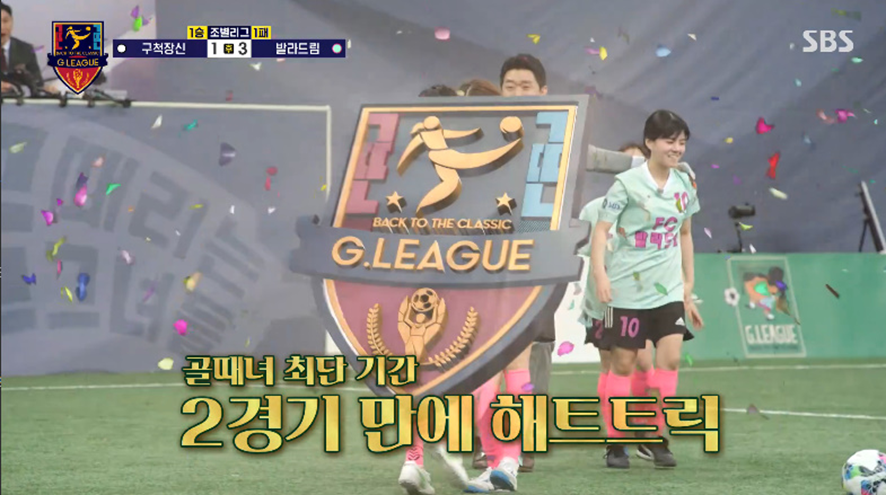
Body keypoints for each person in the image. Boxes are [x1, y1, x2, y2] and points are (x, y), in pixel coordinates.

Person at [591, 110, 704, 470]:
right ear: (650, 142)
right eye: (670, 141)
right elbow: (601, 231)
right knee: (623, 364)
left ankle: (656, 436)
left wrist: (688, 283)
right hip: (627, 289)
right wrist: (601, 276)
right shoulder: (626, 184)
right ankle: (616, 442)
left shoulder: (685, 183)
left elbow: (685, 234)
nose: (677, 148)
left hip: (667, 289)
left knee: (669, 360)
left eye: (682, 142)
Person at [463, 54, 553, 493]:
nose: (517, 93)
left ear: (543, 92)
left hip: (529, 262)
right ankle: (496, 459)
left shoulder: (557, 135)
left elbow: (590, 159)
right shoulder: (481, 136)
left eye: (525, 86)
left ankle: (511, 457)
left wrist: (642, 165)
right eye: (510, 86)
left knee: (518, 359)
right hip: (479, 260)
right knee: (482, 363)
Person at [396, 85, 471, 495]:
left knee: (415, 368)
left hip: (405, 275)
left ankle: (414, 461)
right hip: (459, 276)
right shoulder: (461, 167)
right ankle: (445, 448)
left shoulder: (399, 166)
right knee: (459, 364)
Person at [1, 3, 55, 94]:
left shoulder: (26, 50)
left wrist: (46, 89)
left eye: (5, 21)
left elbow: (37, 83)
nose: (2, 27)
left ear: (12, 21)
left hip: (20, 101)